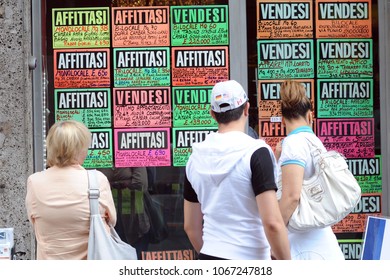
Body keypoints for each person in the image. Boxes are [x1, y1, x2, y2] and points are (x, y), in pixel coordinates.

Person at [183, 80, 291, 260]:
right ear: (247, 109)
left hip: (209, 255)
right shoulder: (256, 153)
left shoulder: (195, 158)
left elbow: (190, 227)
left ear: (212, 114)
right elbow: (272, 223)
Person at [25, 120, 116, 260]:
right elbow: (112, 220)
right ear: (80, 148)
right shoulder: (97, 180)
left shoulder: (34, 181)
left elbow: (34, 222)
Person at [276, 80, 345, 260]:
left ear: (282, 119)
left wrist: (273, 234)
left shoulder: (293, 144)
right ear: (310, 116)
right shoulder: (314, 141)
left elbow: (291, 197)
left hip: (305, 247)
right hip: (319, 241)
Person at [100, 167, 151, 260]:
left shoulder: (132, 154)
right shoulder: (99, 155)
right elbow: (92, 184)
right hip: (106, 216)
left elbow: (141, 184)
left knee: (136, 256)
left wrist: (111, 184)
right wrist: (125, 183)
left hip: (134, 215)